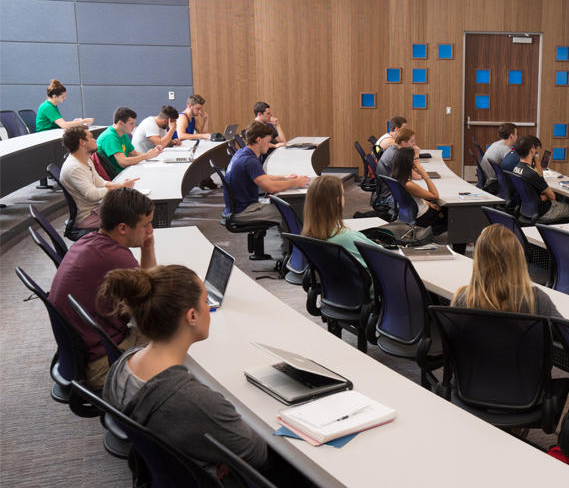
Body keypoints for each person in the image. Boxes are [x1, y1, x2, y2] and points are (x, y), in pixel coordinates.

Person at [100, 265, 313, 487]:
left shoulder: (122, 365)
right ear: (192, 316)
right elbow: (257, 452)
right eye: (205, 301)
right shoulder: (191, 399)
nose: (208, 306)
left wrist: (222, 449)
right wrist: (228, 450)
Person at [48, 188, 156, 390]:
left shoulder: (88, 241)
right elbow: (156, 301)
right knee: (170, 331)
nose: (150, 230)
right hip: (99, 366)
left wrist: (147, 248)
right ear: (123, 228)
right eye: (146, 225)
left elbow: (146, 286)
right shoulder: (117, 257)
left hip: (80, 356)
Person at [452, 224, 561, 318]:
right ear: (518, 259)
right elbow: (566, 335)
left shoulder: (462, 299)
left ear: (478, 261)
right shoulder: (535, 299)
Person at [225, 121, 309, 226]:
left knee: (286, 206)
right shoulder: (250, 161)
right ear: (259, 140)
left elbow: (260, 176)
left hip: (238, 207)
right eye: (268, 141)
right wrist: (296, 182)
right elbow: (270, 188)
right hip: (244, 211)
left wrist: (284, 177)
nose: (270, 145)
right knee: (292, 211)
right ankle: (295, 242)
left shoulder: (242, 153)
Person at [59, 124, 138, 229]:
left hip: (96, 208)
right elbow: (92, 194)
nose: (95, 140)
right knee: (132, 220)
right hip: (87, 216)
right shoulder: (74, 167)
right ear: (82, 142)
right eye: (91, 137)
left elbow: (100, 182)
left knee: (133, 208)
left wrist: (120, 184)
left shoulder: (85, 159)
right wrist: (119, 187)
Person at [301, 175, 375, 271]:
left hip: (333, 285)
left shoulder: (307, 237)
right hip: (370, 284)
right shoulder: (346, 237)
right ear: (338, 201)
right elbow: (383, 256)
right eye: (343, 194)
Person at [511, 136, 569, 222]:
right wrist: (547, 194)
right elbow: (553, 197)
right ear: (531, 150)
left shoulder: (516, 168)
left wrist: (544, 194)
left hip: (527, 209)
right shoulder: (533, 173)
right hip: (544, 211)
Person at [389, 146, 447, 233]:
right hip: (423, 217)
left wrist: (428, 203)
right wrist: (424, 174)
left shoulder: (396, 178)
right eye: (415, 158)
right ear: (409, 162)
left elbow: (413, 199)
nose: (418, 160)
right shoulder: (409, 185)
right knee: (455, 213)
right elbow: (435, 195)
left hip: (415, 213)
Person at [96, 107, 162, 174]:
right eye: (131, 123)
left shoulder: (123, 133)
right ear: (120, 123)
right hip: (115, 177)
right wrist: (146, 156)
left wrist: (153, 154)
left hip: (123, 172)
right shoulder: (110, 137)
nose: (134, 126)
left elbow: (133, 154)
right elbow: (123, 162)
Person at [480, 122, 518, 195]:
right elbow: (515, 167)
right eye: (516, 134)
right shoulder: (505, 149)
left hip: (487, 183)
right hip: (493, 185)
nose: (517, 136)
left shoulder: (496, 144)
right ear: (511, 136)